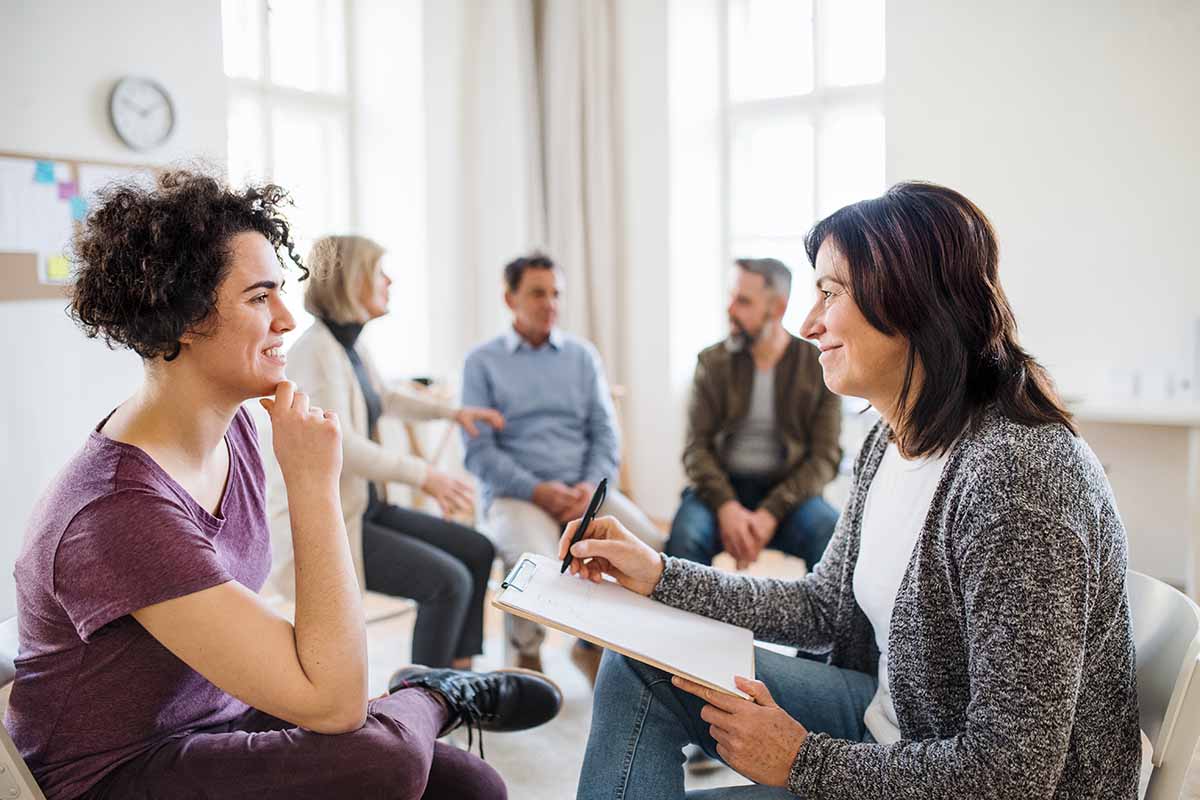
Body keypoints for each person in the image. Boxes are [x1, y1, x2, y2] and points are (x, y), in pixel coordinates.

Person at [563, 182, 1141, 798]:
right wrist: (658, 575)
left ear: (910, 302)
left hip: (950, 771)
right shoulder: (890, 439)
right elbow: (824, 608)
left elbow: (1013, 775)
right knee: (637, 661)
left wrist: (802, 761)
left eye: (829, 293)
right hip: (894, 725)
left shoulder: (1018, 479)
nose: (809, 324)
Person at [6, 171, 561, 800]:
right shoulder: (117, 512)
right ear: (186, 319)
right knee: (388, 761)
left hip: (212, 717)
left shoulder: (237, 430)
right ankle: (431, 693)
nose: (288, 318)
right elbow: (335, 702)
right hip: (114, 774)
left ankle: (418, 698)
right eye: (259, 297)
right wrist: (313, 485)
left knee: (470, 782)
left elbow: (309, 676)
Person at [264, 234, 502, 669]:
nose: (389, 281)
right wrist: (425, 475)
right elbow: (343, 445)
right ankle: (422, 701)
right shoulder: (315, 352)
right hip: (336, 523)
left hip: (368, 508)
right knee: (447, 582)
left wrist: (454, 413)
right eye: (379, 272)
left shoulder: (348, 346)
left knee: (477, 549)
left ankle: (460, 680)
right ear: (352, 281)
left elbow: (384, 396)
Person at [461, 251, 665, 679]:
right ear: (509, 297)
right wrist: (538, 491)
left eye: (556, 294)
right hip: (518, 495)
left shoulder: (582, 356)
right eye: (538, 293)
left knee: (647, 543)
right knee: (533, 558)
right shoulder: (482, 362)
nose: (549, 303)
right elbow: (479, 453)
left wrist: (589, 487)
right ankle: (527, 653)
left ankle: (592, 645)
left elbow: (606, 433)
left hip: (582, 491)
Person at [668, 257, 841, 573]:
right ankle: (688, 625)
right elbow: (696, 450)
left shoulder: (817, 365)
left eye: (743, 301)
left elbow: (825, 457)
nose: (730, 309)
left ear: (777, 308)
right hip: (719, 488)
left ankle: (822, 624)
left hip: (789, 492)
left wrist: (771, 512)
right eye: (731, 297)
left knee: (832, 536)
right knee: (683, 541)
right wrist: (727, 507)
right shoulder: (711, 362)